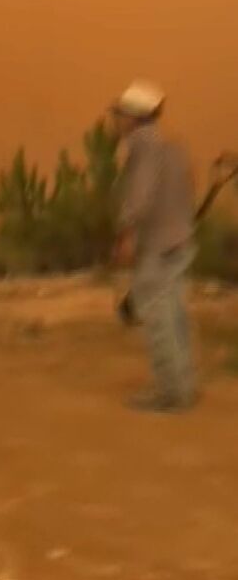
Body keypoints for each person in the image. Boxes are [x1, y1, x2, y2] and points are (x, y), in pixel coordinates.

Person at [110, 80, 197, 412]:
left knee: (157, 318)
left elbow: (140, 198)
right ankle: (184, 387)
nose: (117, 120)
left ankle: (169, 395)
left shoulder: (142, 147)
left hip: (157, 248)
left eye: (121, 114)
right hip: (181, 242)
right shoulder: (173, 147)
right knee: (176, 316)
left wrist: (126, 234)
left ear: (134, 117)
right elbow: (188, 187)